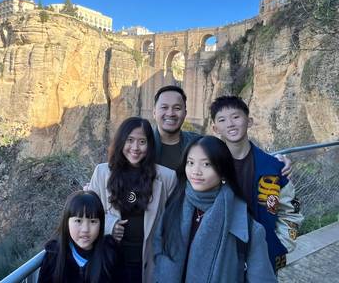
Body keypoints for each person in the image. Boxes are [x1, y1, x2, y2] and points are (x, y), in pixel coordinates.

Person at [154, 136, 277, 283]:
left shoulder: (247, 228)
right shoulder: (174, 206)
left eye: (206, 164)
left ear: (223, 171)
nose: (196, 171)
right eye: (190, 163)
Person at [210, 95, 303, 271]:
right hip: (222, 257)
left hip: (265, 254)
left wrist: (279, 245)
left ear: (249, 121)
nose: (230, 124)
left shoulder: (274, 168)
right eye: (222, 120)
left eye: (236, 117)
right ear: (215, 129)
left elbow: (291, 210)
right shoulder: (211, 168)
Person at [88, 117, 177, 283]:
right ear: (121, 141)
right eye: (130, 140)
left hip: (147, 262)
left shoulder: (166, 177)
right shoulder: (101, 172)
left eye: (142, 141)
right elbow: (88, 212)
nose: (135, 148)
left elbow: (171, 223)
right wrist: (109, 225)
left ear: (150, 145)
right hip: (111, 260)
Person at [152, 85, 293, 176]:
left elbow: (232, 152)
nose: (170, 113)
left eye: (177, 108)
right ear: (154, 112)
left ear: (185, 113)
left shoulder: (197, 143)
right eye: (164, 107)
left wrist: (276, 161)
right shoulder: (140, 146)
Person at [37, 190, 119, 283]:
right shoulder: (54, 254)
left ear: (101, 224)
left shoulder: (110, 252)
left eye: (93, 221)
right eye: (78, 221)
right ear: (67, 222)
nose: (85, 229)